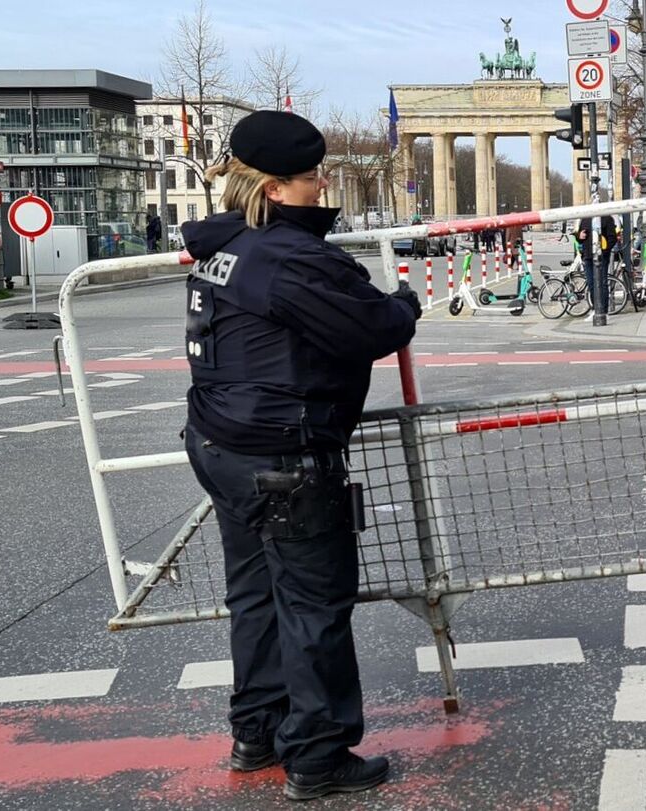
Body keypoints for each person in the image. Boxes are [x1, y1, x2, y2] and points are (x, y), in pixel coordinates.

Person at [181, 110, 420, 802]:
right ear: (276, 188)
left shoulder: (224, 246)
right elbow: (370, 327)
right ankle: (318, 755)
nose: (323, 185)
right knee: (315, 604)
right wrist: (404, 304)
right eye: (312, 176)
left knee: (256, 595)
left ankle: (257, 730)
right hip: (284, 455)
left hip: (221, 444)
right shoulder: (290, 259)